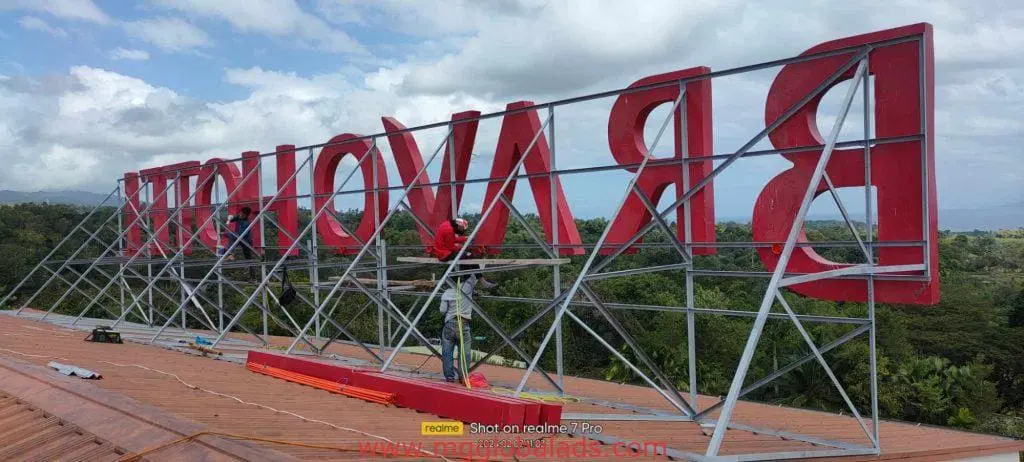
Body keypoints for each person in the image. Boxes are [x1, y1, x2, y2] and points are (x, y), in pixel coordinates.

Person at [430, 218, 497, 288]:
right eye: (462, 230)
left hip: (442, 252)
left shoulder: (447, 224)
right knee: (469, 256)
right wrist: (464, 247)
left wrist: (465, 238)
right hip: (444, 255)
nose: (462, 231)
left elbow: (453, 239)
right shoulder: (449, 230)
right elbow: (451, 247)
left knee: (465, 257)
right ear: (459, 226)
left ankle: (452, 279)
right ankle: (477, 280)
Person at [440, 273, 478, 383]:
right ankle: (463, 377)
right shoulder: (468, 287)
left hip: (450, 324)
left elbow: (442, 310)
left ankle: (449, 377)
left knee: (447, 353)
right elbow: (475, 275)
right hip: (464, 324)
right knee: (465, 353)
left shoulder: (447, 293)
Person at [224, 206, 257, 279]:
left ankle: (253, 277)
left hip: (246, 241)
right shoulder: (240, 217)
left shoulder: (246, 223)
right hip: (240, 238)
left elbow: (242, 235)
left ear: (246, 215)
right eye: (240, 213)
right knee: (232, 237)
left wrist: (228, 234)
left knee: (249, 259)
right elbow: (233, 219)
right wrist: (230, 218)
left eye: (242, 214)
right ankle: (230, 254)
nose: (240, 215)